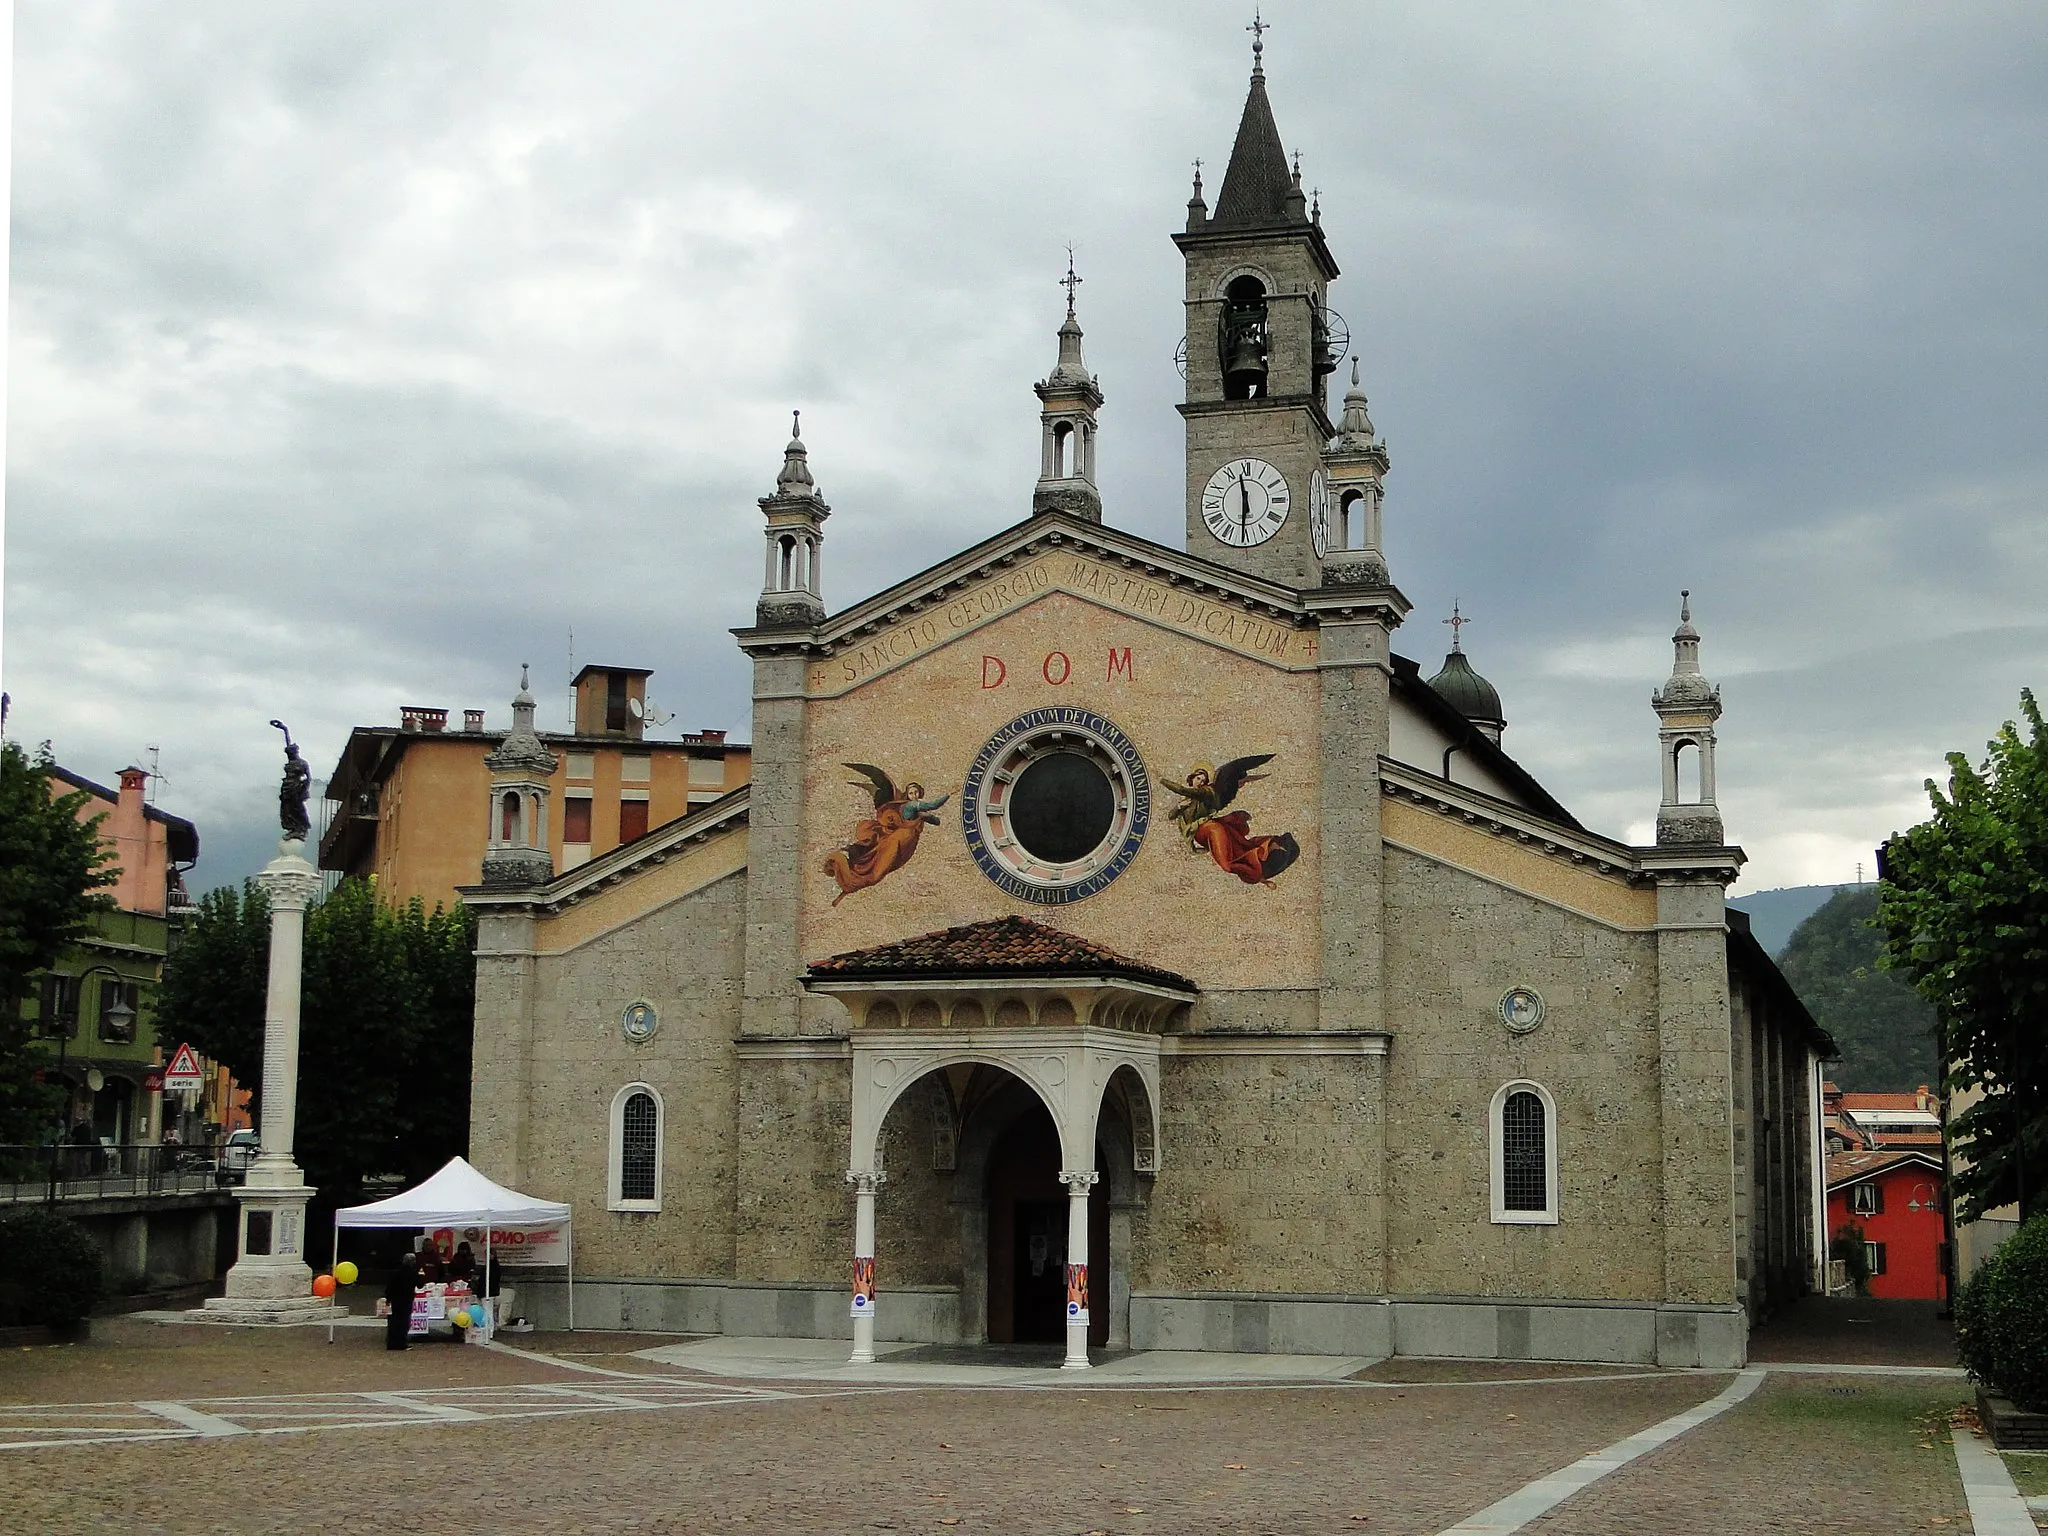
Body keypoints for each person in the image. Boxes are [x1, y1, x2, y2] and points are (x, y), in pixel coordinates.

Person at [383, 1254, 420, 1351]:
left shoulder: (395, 1272)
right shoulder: (412, 1273)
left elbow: (389, 1287)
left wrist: (388, 1298)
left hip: (395, 1300)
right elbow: (419, 1284)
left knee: (393, 1322)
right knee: (403, 1323)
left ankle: (391, 1343)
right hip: (406, 1300)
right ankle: (401, 1343)